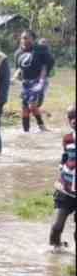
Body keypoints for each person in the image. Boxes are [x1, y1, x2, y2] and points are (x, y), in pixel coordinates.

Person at [50, 105, 77, 252]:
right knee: (56, 227)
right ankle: (56, 250)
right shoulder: (67, 138)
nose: (74, 120)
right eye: (71, 117)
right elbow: (65, 156)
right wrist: (61, 170)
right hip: (66, 190)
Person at [14, 30, 51, 132]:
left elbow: (44, 67)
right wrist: (14, 78)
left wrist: (41, 82)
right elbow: (19, 69)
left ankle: (41, 126)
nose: (24, 40)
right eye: (22, 38)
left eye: (26, 38)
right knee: (24, 108)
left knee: (32, 105)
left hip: (37, 82)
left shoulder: (39, 51)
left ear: (33, 39)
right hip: (25, 83)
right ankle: (26, 132)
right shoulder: (18, 53)